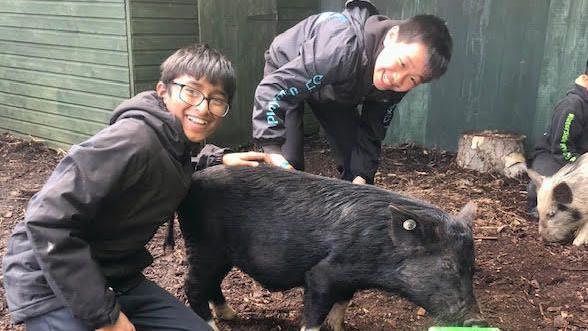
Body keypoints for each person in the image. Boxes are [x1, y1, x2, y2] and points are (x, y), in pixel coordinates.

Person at [2, 44, 273, 331]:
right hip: (52, 283)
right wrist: (105, 317)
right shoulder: (132, 139)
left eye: (217, 100)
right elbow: (47, 222)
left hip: (115, 276)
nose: (203, 108)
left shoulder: (171, 142)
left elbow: (170, 161)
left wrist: (217, 158)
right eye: (191, 91)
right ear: (162, 90)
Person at [252, 0, 453, 184]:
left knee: (356, 168)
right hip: (289, 69)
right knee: (288, 165)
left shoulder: (394, 83)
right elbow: (275, 88)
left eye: (412, 79)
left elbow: (373, 128)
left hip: (335, 89)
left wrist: (361, 177)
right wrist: (271, 147)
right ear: (391, 37)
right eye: (402, 63)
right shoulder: (341, 49)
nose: (398, 78)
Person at [527, 59, 588, 216]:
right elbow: (562, 147)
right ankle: (539, 204)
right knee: (550, 186)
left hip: (581, 159)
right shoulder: (572, 106)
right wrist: (582, 166)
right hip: (554, 156)